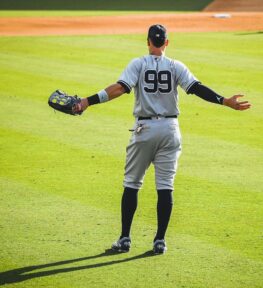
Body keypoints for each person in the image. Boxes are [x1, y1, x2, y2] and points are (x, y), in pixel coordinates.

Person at [75, 24, 251, 255]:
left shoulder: (138, 64)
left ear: (148, 41)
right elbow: (197, 88)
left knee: (131, 184)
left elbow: (120, 89)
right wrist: (224, 101)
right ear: (167, 42)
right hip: (170, 129)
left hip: (145, 128)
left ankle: (125, 238)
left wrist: (88, 101)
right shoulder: (176, 66)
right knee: (165, 187)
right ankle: (159, 240)